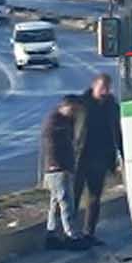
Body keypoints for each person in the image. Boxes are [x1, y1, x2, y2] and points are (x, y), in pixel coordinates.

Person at [73, 72, 123, 240]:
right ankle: (69, 232)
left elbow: (118, 131)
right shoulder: (81, 104)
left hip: (101, 157)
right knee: (74, 195)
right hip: (81, 156)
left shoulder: (112, 107)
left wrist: (121, 155)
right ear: (94, 86)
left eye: (107, 88)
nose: (104, 92)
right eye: (102, 88)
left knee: (94, 197)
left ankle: (89, 233)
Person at [40, 94, 83, 249]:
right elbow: (52, 146)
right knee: (66, 203)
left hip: (62, 168)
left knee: (56, 203)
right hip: (57, 169)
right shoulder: (55, 122)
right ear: (65, 106)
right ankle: (71, 236)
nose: (75, 113)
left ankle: (51, 235)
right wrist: (58, 165)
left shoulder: (65, 121)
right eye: (73, 109)